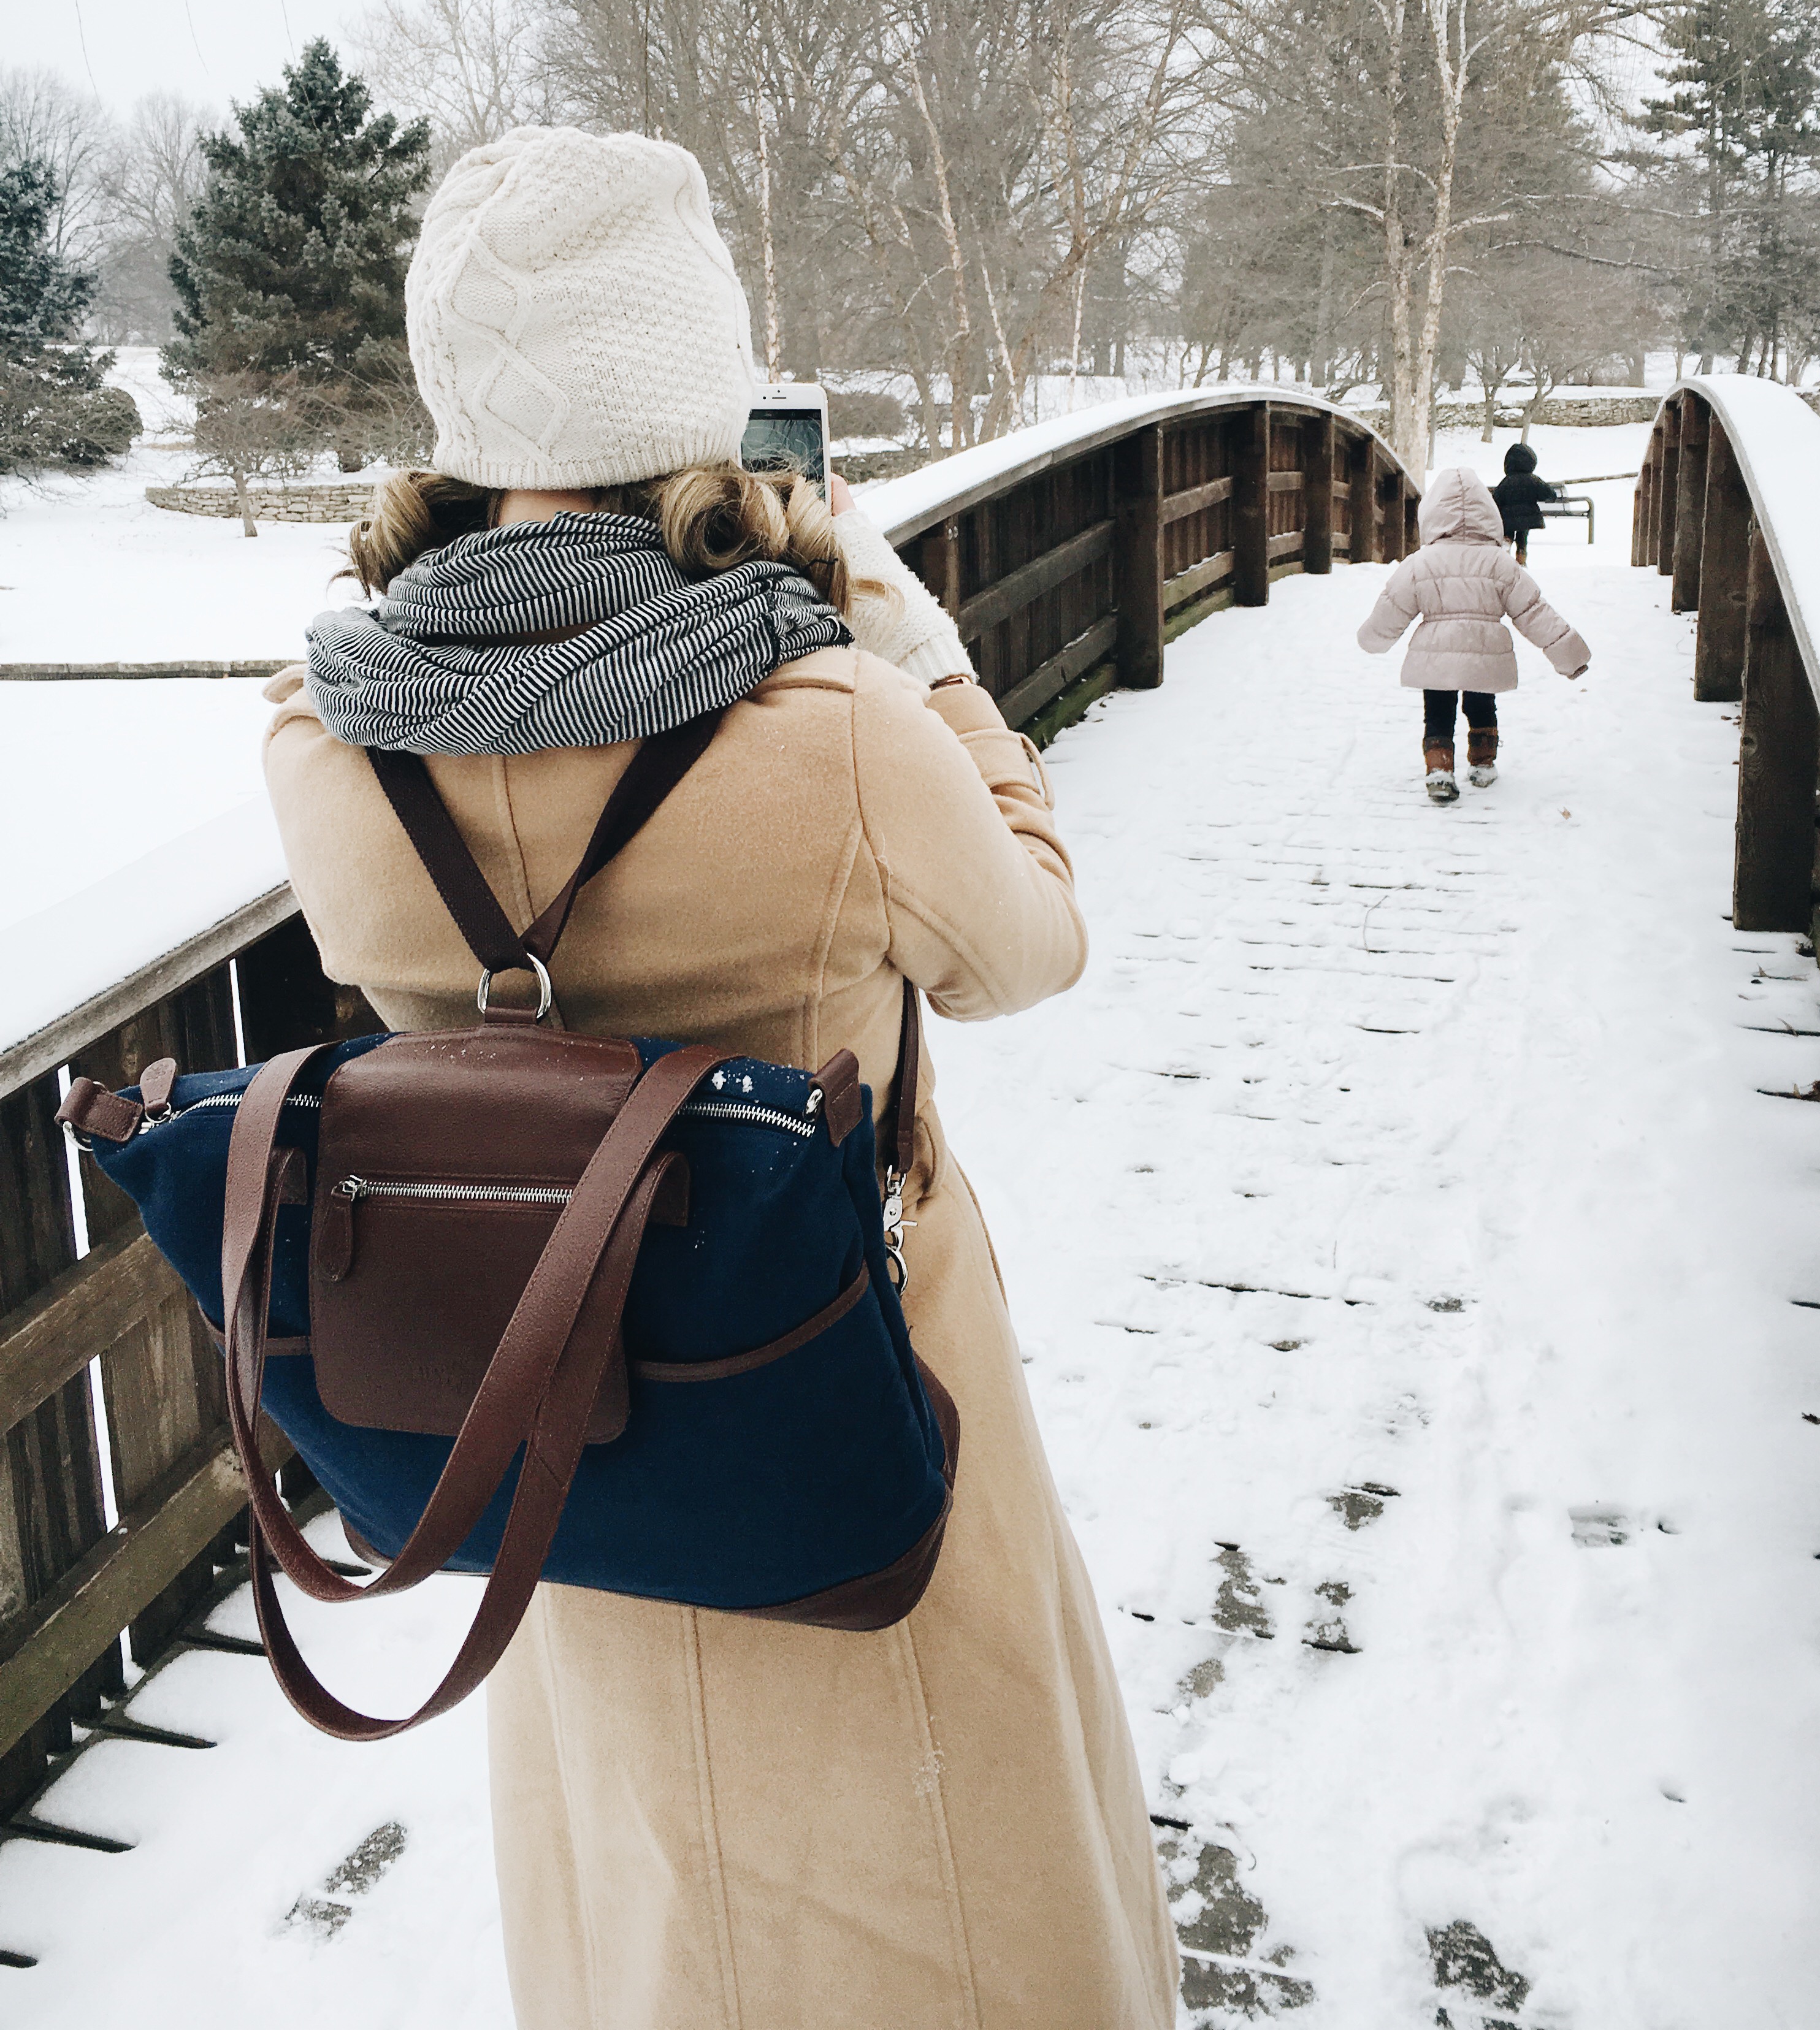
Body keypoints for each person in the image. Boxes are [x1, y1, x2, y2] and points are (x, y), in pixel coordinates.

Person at [261, 126, 1179, 2030]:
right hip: (844, 1368)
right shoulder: (826, 721)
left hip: (548, 1400)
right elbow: (1033, 947)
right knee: (944, 1849)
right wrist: (921, 656)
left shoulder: (324, 741)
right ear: (697, 391)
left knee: (645, 1878)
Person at [1357, 464, 1590, 803]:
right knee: (1482, 706)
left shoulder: (1421, 563)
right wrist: (1569, 655)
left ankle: (1439, 768)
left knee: (1437, 711)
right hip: (1485, 650)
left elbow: (1393, 607)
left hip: (1436, 654)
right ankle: (1483, 764)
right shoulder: (1500, 563)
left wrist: (1373, 638)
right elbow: (1533, 611)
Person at [1489, 440, 1557, 564]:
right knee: (1523, 535)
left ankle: (1506, 553)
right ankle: (1521, 556)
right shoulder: (1534, 481)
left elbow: (1496, 500)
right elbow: (1550, 494)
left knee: (1508, 534)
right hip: (1528, 518)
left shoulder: (1507, 482)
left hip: (1508, 519)